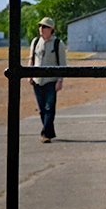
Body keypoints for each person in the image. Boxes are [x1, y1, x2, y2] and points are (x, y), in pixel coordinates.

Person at [28, 16, 66, 144]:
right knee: (42, 109)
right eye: (40, 26)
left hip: (51, 80)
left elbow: (62, 64)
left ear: (51, 29)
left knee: (50, 107)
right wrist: (29, 74)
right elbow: (31, 59)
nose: (41, 29)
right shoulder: (35, 42)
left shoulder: (58, 44)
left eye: (45, 27)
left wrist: (60, 80)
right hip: (37, 80)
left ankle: (45, 134)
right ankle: (49, 131)